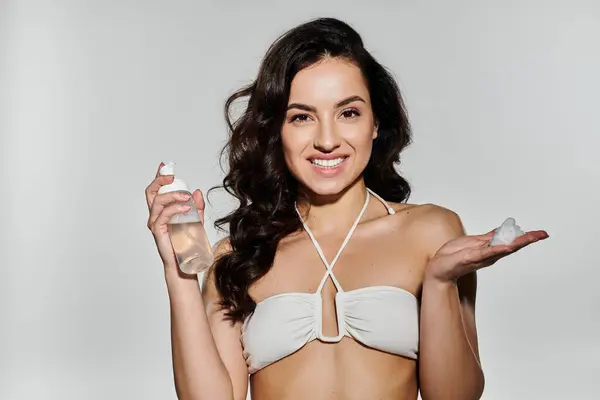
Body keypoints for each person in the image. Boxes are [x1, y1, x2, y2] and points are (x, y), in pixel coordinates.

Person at [145, 17, 548, 400]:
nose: (327, 140)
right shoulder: (238, 257)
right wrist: (179, 274)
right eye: (302, 116)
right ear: (276, 130)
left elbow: (455, 396)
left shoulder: (432, 232)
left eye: (348, 113)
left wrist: (441, 281)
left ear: (375, 122)